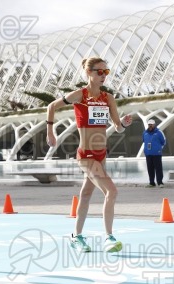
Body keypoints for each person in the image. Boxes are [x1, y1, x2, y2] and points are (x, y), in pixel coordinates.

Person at [46, 57, 132, 253]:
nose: (103, 76)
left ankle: (76, 237)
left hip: (101, 154)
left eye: (106, 72)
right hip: (86, 155)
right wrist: (50, 132)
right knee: (112, 192)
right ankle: (109, 237)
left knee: (85, 195)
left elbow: (117, 127)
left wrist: (124, 123)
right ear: (88, 73)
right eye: (98, 72)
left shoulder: (108, 98)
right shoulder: (80, 95)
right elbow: (51, 107)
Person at [142, 119, 166, 188]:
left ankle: (160, 182)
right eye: (149, 124)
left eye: (151, 124)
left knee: (158, 168)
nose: (150, 126)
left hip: (157, 154)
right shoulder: (145, 133)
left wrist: (159, 149)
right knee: (150, 169)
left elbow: (163, 141)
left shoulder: (159, 132)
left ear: (154, 125)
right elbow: (144, 141)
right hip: (148, 154)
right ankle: (152, 183)